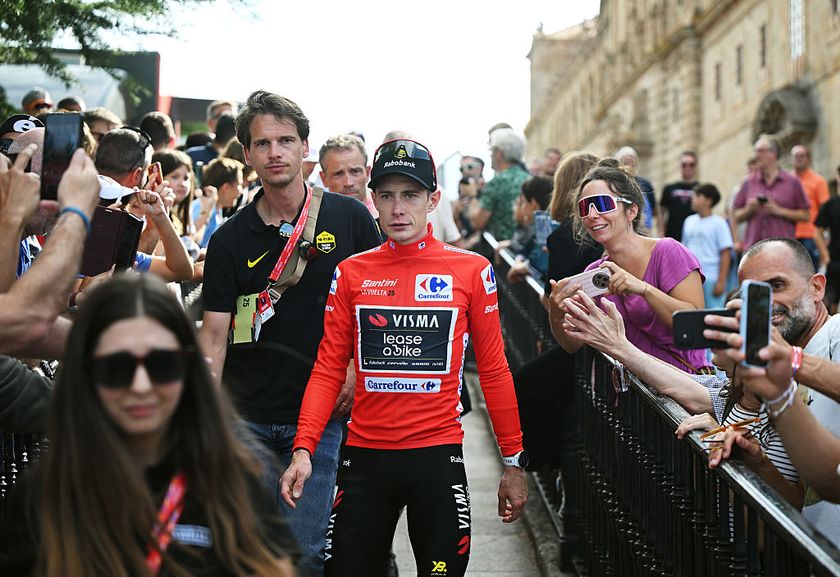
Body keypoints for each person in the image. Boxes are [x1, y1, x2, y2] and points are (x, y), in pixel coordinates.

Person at [279, 138, 527, 577]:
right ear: (373, 200)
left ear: (433, 200)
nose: (398, 209)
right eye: (388, 195)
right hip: (364, 459)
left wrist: (513, 462)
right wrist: (304, 449)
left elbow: (493, 369)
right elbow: (328, 368)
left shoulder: (471, 270)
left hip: (437, 460)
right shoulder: (352, 271)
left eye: (410, 195)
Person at [0, 275, 297, 576]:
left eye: (161, 364)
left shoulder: (234, 489)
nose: (140, 386)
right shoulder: (44, 496)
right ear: (86, 373)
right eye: (117, 366)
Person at [198, 90, 381, 577]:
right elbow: (215, 337)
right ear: (247, 155)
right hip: (246, 420)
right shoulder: (228, 240)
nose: (275, 152)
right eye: (263, 144)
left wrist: (354, 374)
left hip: (320, 416)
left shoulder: (351, 218)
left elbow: (381, 308)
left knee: (302, 556)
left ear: (305, 148)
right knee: (251, 557)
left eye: (286, 140)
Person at [562, 289, 803, 508]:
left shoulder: (783, 410)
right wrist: (618, 346)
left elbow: (791, 505)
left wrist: (745, 454)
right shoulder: (729, 392)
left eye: (734, 326)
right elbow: (674, 381)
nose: (718, 331)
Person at [702, 237, 840, 547]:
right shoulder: (777, 375)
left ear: (817, 287)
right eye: (756, 294)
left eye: (776, 285)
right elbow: (818, 491)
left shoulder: (835, 333)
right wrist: (759, 461)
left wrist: (792, 361)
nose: (769, 304)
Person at [550, 159, 707, 373]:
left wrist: (644, 289)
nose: (593, 215)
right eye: (585, 207)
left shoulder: (668, 251)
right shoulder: (594, 273)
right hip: (630, 400)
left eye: (603, 203)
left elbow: (695, 328)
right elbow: (572, 345)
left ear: (631, 211)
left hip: (680, 395)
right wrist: (556, 313)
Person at [0, 145, 99, 359]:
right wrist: (76, 213)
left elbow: (44, 332)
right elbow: (14, 327)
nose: (59, 196)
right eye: (52, 183)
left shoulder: (27, 243)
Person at [732, 136, 810, 250]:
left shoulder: (792, 182)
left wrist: (779, 210)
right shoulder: (748, 182)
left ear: (773, 153)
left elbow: (806, 215)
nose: (756, 155)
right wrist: (749, 209)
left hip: (784, 251)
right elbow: (735, 216)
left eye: (760, 151)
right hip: (754, 250)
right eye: (755, 151)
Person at [469, 128, 529, 241]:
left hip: (499, 251)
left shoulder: (496, 183)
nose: (490, 156)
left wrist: (473, 195)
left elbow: (478, 222)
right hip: (521, 246)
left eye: (492, 152)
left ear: (499, 153)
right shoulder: (529, 178)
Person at [681, 184, 733, 308]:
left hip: (711, 278)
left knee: (713, 312)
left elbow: (725, 253)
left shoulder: (719, 223)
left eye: (698, 196)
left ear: (709, 200)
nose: (693, 199)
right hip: (692, 277)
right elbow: (684, 250)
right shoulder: (689, 221)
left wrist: (721, 281)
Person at [791, 145, 829, 269]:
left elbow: (825, 210)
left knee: (810, 272)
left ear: (808, 159)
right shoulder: (787, 181)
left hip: (810, 236)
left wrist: (825, 237)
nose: (798, 159)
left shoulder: (818, 181)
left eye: (802, 156)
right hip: (788, 234)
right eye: (796, 156)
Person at [318, 134, 376, 215]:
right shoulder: (313, 222)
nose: (348, 183)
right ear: (324, 179)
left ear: (367, 173)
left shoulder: (387, 218)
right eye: (338, 174)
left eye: (355, 171)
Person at [615, 146, 657, 233]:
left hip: (646, 229)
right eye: (626, 162)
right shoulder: (616, 183)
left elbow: (654, 210)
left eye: (632, 162)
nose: (629, 165)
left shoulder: (645, 183)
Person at [658, 151, 699, 241]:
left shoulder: (700, 189)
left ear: (695, 166)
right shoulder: (669, 188)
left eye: (691, 164)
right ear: (680, 166)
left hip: (694, 237)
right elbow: (661, 212)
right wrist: (661, 232)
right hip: (672, 236)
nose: (687, 167)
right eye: (684, 164)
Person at [816, 171, 840, 313]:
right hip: (835, 261)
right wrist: (825, 256)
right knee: (830, 305)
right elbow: (817, 232)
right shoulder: (831, 204)